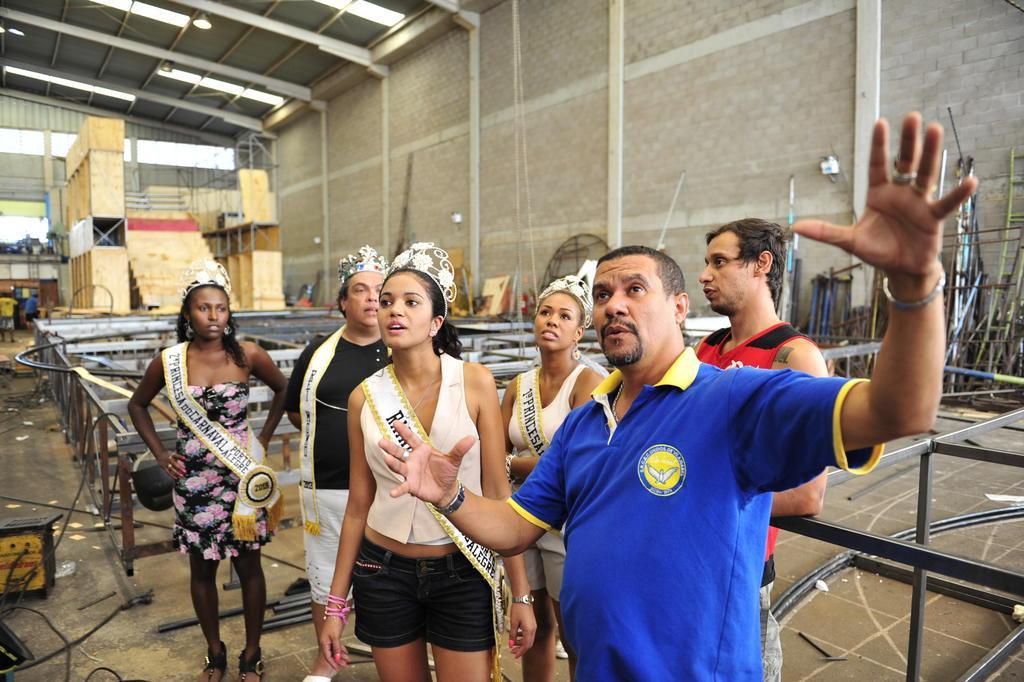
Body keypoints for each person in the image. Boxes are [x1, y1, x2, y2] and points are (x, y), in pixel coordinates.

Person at [368, 114, 976, 679]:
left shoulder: (733, 399)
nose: (615, 305)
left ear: (680, 309)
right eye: (603, 294)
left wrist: (916, 286)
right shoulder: (585, 424)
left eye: (636, 289)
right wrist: (449, 494)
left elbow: (902, 410)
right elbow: (510, 527)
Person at [319, 242, 537, 681]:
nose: (393, 310)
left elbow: (498, 490)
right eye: (386, 302)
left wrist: (521, 593)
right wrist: (336, 605)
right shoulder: (364, 397)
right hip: (382, 570)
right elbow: (358, 505)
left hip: (462, 566)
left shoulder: (474, 382)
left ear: (436, 321)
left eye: (410, 301)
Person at [128, 259, 288, 681]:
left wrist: (264, 438)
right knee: (202, 569)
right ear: (187, 314)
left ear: (229, 313)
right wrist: (161, 453)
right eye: (203, 308)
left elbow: (284, 388)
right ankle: (214, 653)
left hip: (242, 481)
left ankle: (251, 655)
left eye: (220, 307)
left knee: (250, 567)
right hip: (194, 481)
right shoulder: (170, 361)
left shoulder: (248, 354)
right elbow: (137, 405)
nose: (213, 315)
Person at [697, 218, 829, 681]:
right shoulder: (706, 349)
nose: (704, 275)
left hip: (742, 568)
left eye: (720, 262)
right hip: (690, 559)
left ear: (762, 264)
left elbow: (810, 495)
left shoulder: (794, 358)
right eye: (706, 262)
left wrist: (703, 497)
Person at [283, 246, 390, 682]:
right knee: (326, 576)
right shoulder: (318, 353)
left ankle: (391, 657)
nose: (370, 299)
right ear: (343, 302)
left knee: (386, 580)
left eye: (379, 291)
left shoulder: (401, 348)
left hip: (387, 490)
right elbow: (297, 410)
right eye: (359, 290)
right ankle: (327, 659)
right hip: (327, 487)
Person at [501, 275, 602, 681]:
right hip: (521, 517)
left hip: (566, 521)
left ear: (579, 332)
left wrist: (513, 466)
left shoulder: (589, 383)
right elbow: (494, 455)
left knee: (574, 633)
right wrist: (510, 466)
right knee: (533, 626)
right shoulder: (516, 386)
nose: (551, 321)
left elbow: (572, 464)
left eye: (564, 316)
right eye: (545, 312)